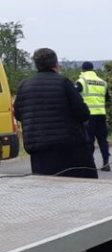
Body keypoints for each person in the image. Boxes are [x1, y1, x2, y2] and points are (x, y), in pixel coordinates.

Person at [13, 48, 97, 179]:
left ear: (36, 65)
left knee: (48, 191)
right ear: (56, 64)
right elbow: (83, 113)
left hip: (38, 151)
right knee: (83, 188)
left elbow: (18, 114)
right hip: (69, 149)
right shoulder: (63, 82)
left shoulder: (24, 85)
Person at [76, 61, 110, 171]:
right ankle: (106, 163)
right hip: (101, 114)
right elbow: (107, 98)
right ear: (93, 69)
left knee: (89, 141)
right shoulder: (102, 82)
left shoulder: (81, 81)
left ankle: (91, 165)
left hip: (88, 115)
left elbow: (75, 98)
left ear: (83, 69)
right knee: (103, 140)